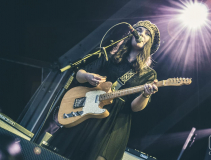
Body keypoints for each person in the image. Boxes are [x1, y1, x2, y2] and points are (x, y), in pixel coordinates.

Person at [48, 20, 160, 160]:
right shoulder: (111, 56)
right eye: (139, 30)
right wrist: (88, 76)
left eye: (147, 33)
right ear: (131, 35)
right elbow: (79, 74)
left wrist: (145, 94)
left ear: (149, 42)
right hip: (88, 110)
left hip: (116, 122)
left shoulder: (148, 74)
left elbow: (135, 107)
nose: (141, 34)